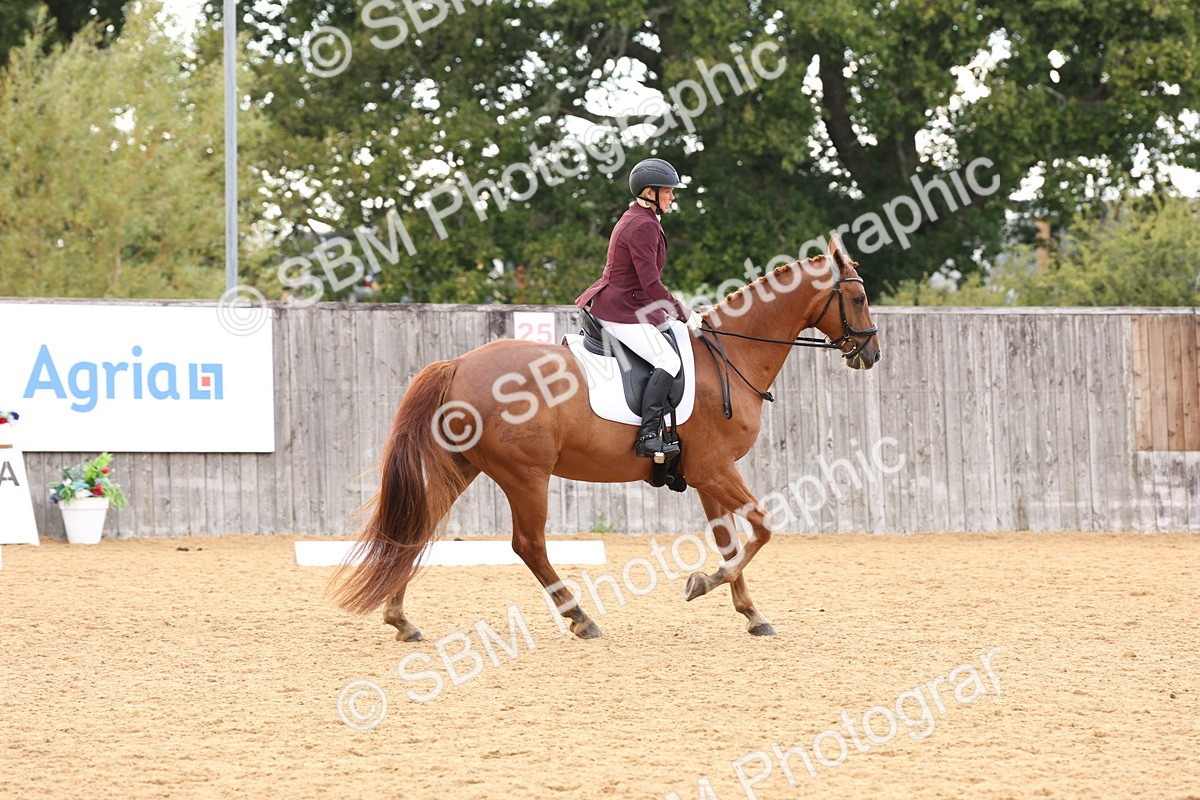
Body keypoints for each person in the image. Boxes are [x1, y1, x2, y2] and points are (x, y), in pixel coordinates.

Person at [575, 157, 703, 459]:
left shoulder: (642, 218)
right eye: (668, 191)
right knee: (668, 360)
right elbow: (651, 285)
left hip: (630, 304)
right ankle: (647, 435)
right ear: (650, 192)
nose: (672, 197)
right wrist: (684, 313)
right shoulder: (642, 226)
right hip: (620, 310)